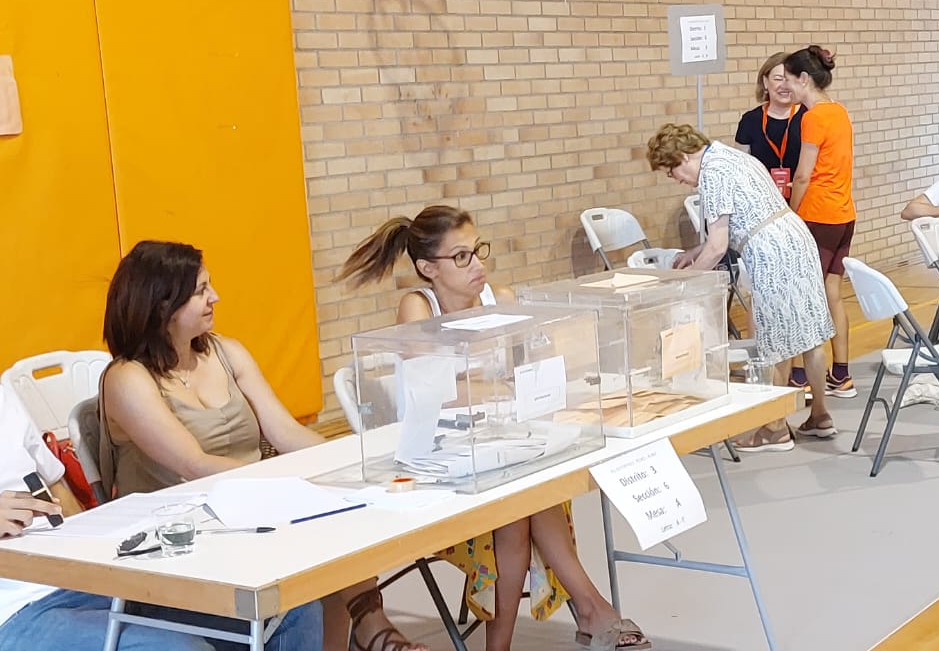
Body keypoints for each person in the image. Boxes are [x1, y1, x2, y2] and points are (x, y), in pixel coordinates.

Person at [337, 206, 652, 651]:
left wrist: (493, 386)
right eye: (461, 257)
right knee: (521, 500)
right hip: (438, 462)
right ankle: (590, 610)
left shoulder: (499, 300)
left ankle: (560, 623)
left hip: (500, 447)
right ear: (428, 269)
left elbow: (537, 374)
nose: (478, 265)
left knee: (527, 489)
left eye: (478, 251)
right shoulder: (417, 307)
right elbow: (443, 395)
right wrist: (492, 386)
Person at [96, 241, 425, 651]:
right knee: (317, 539)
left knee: (341, 522)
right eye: (200, 290)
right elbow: (194, 465)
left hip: (256, 512)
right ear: (162, 305)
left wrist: (352, 465)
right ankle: (371, 626)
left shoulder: (226, 351)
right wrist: (287, 488)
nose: (215, 297)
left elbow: (286, 433)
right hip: (183, 536)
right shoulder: (128, 379)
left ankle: (368, 622)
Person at [0, 387, 322, 651]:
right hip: (14, 611)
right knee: (179, 648)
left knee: (289, 614)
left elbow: (54, 482)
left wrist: (87, 554)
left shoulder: (5, 395)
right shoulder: (127, 380)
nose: (213, 302)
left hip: (86, 581)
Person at [648, 123, 838, 449]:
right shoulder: (733, 157)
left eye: (671, 172)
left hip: (770, 250)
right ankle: (820, 415)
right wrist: (695, 252)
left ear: (683, 158)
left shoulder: (712, 173)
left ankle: (775, 429)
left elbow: (718, 247)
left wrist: (685, 281)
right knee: (810, 335)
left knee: (774, 340)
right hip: (794, 237)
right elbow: (733, 225)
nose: (677, 180)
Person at [779, 45, 858, 399]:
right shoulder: (839, 112)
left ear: (805, 79)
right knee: (831, 292)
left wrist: (790, 214)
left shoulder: (812, 117)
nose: (787, 89)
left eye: (790, 81)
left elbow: (803, 175)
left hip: (817, 214)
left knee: (801, 296)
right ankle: (840, 373)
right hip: (844, 214)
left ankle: (800, 374)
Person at [735, 52, 807, 198]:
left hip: (806, 202)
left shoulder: (809, 116)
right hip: (763, 203)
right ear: (765, 82)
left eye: (789, 80)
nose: (784, 86)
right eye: (778, 79)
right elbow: (740, 169)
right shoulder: (750, 120)